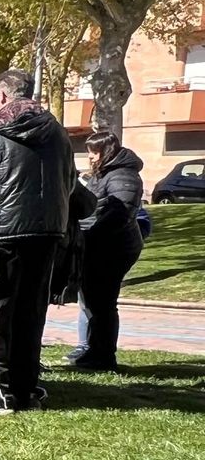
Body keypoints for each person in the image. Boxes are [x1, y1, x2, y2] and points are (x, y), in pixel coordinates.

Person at [0, 68, 76, 412]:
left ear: (1, 96)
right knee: (31, 311)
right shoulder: (57, 130)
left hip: (1, 230)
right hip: (47, 231)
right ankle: (26, 387)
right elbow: (69, 180)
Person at [69, 131, 144, 371]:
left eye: (94, 152)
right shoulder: (104, 174)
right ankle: (93, 350)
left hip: (114, 247)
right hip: (100, 245)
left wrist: (89, 237)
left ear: (106, 152)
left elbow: (119, 214)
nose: (90, 157)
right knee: (93, 300)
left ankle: (103, 355)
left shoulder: (123, 176)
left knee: (103, 302)